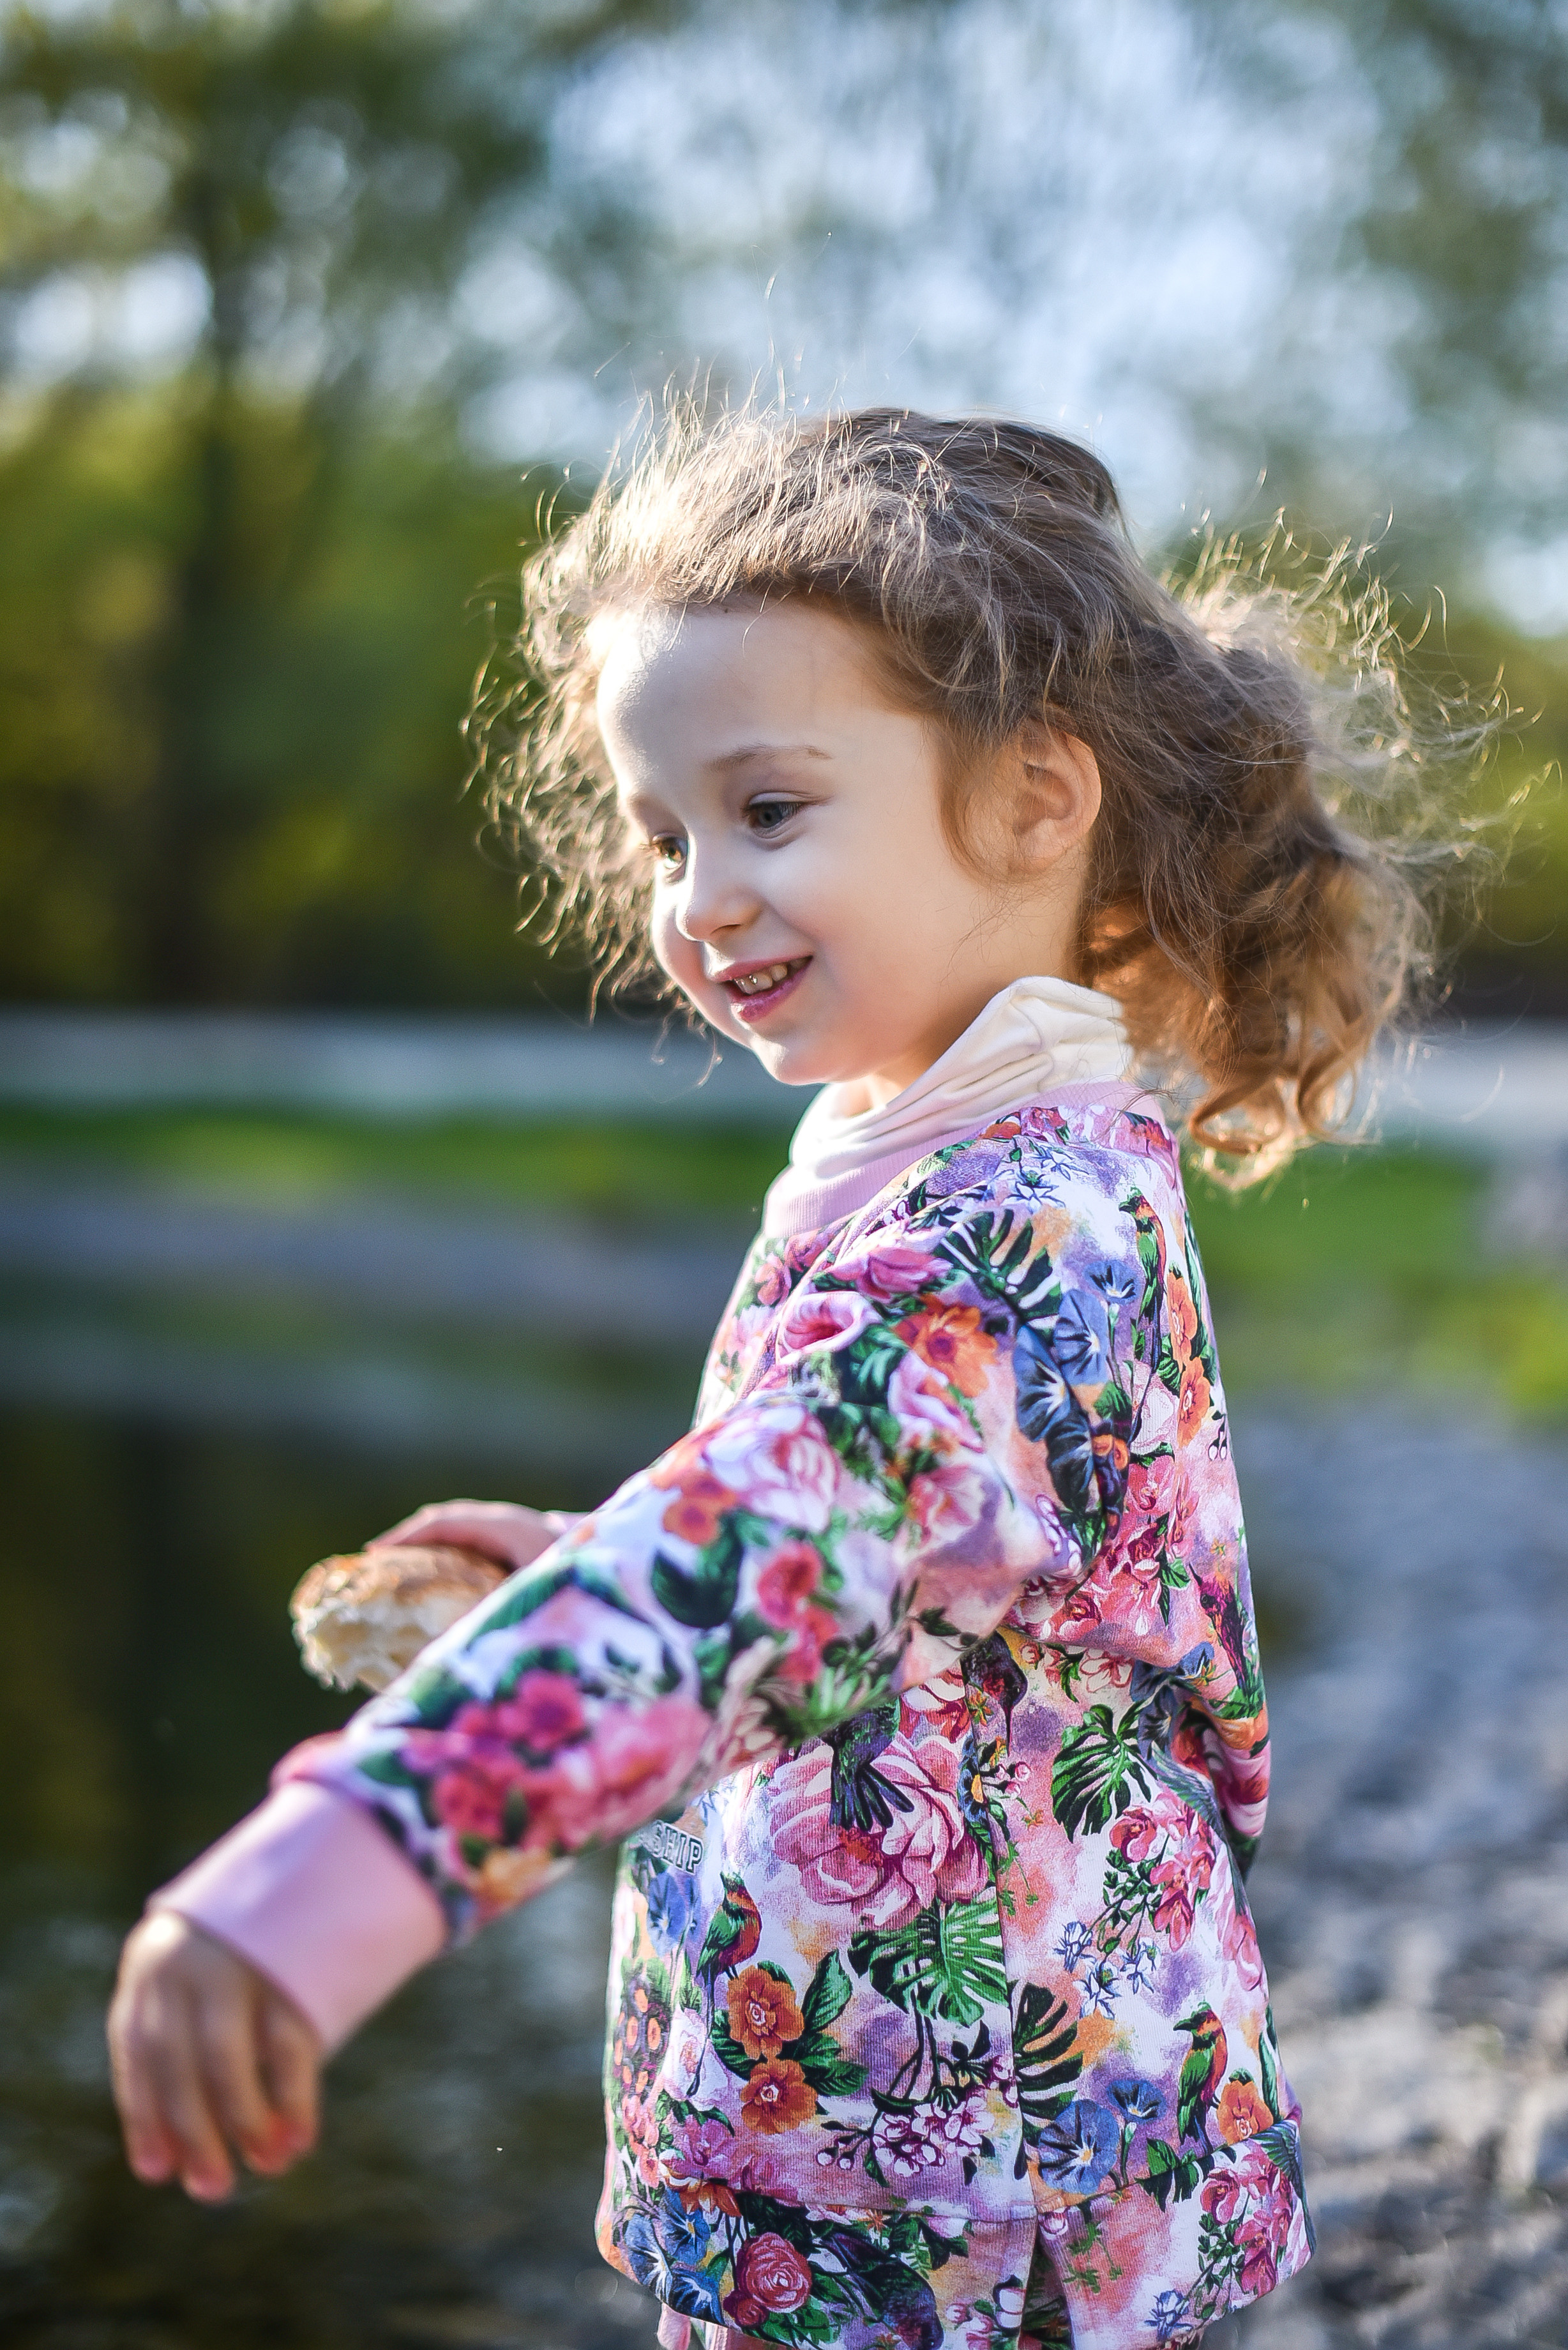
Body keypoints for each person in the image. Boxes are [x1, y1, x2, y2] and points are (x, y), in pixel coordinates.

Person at [108, 409, 1437, 2349]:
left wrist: (344, 1871)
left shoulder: (1019, 1223)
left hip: (966, 2216)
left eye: (773, 810)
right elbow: (898, 1556)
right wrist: (591, 1547)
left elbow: (774, 1545)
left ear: (1035, 800)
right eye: (666, 834)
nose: (698, 897)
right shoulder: (956, 1146)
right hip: (895, 2154)